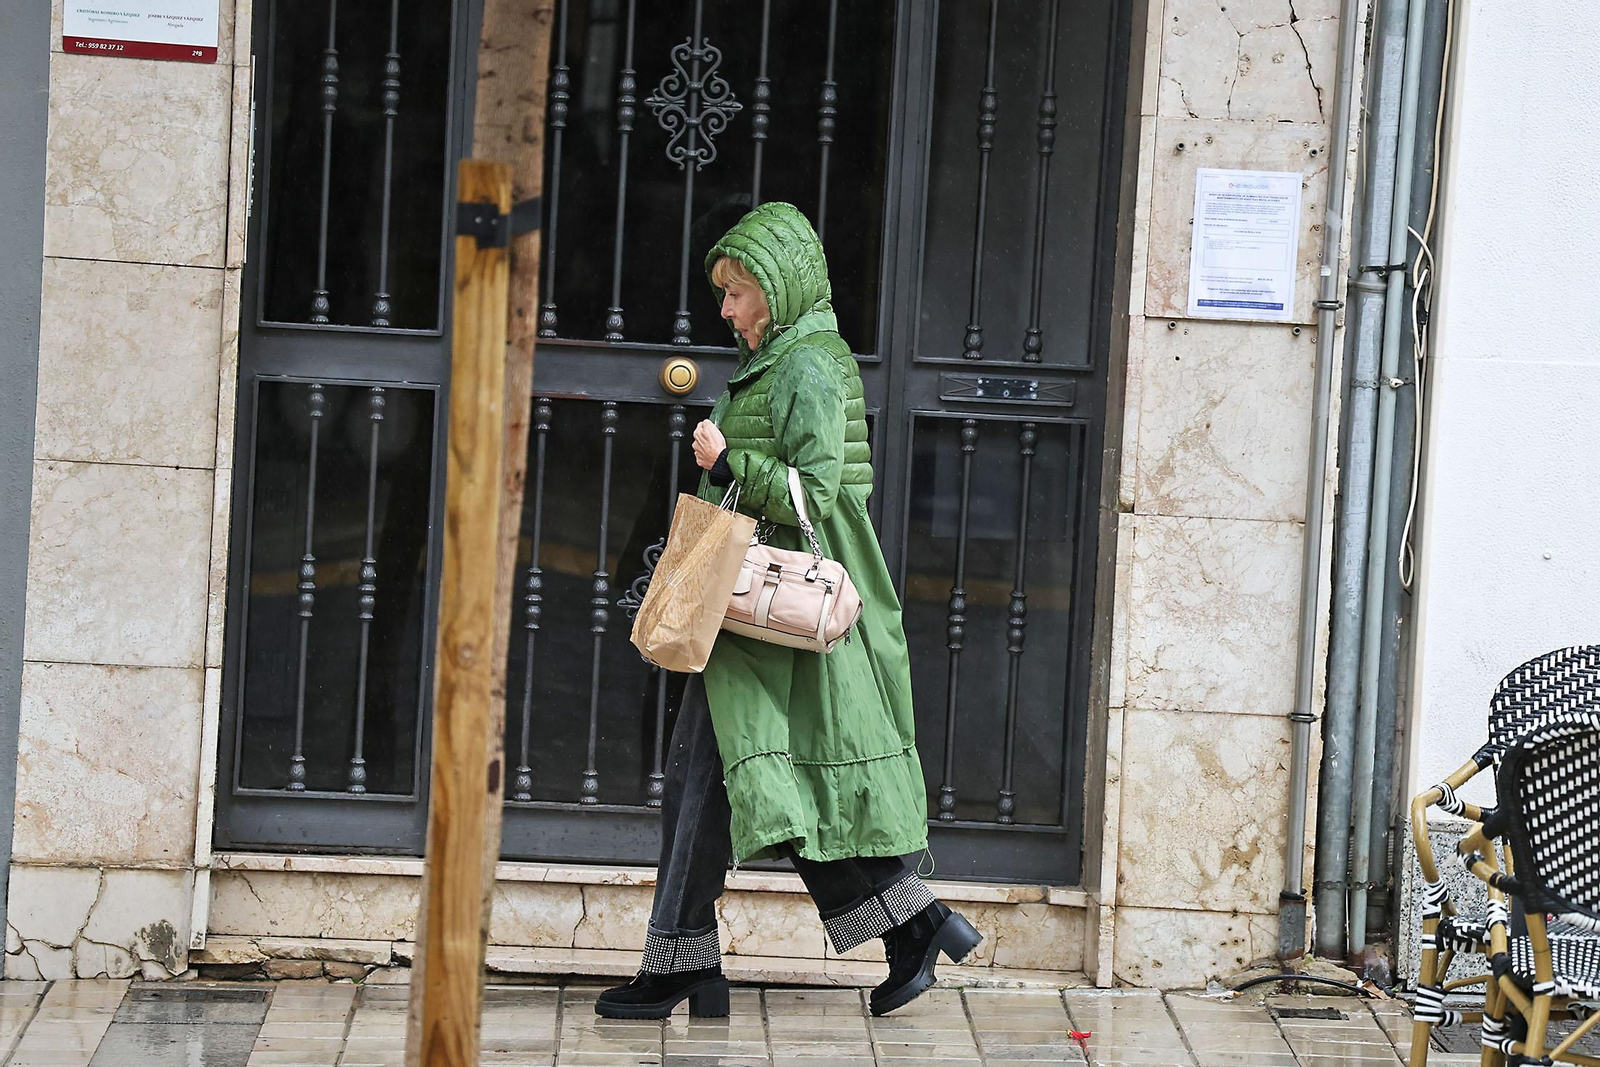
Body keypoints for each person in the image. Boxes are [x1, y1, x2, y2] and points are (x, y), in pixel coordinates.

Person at [596, 203, 980, 1021]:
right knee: (726, 783)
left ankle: (694, 960)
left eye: (737, 293)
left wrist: (727, 455)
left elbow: (819, 492)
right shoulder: (788, 356)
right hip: (751, 617)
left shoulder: (805, 364)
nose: (726, 309)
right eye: (726, 294)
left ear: (777, 287)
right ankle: (903, 921)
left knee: (732, 784)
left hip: (775, 610)